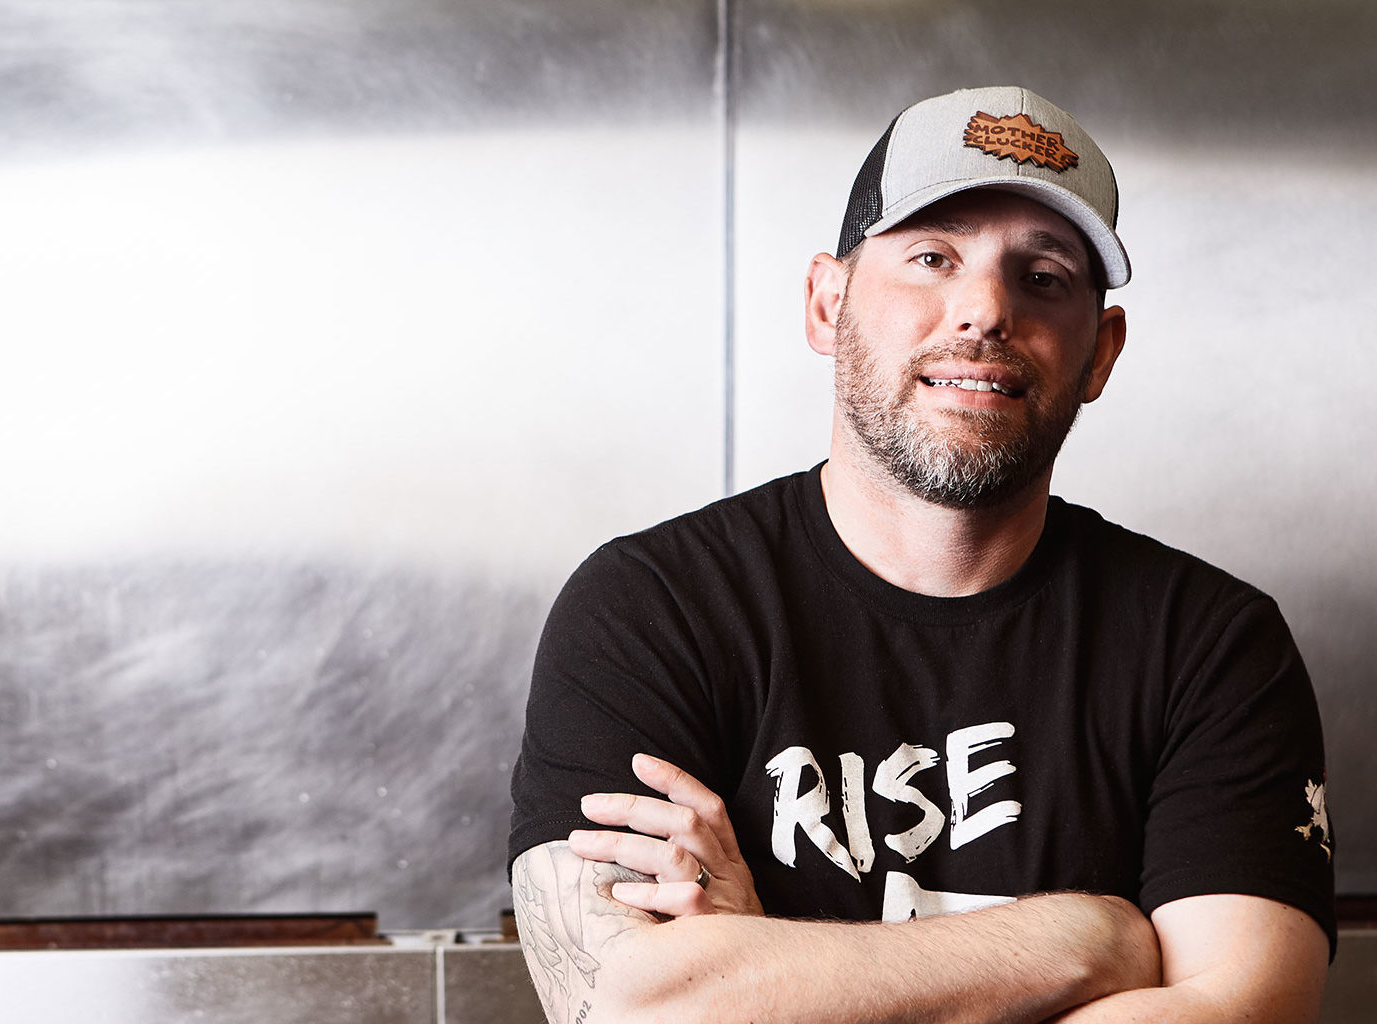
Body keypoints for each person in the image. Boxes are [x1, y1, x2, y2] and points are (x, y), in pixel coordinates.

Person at [507, 85, 1334, 1024]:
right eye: (933, 257)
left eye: (1045, 276)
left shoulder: (1210, 646)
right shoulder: (654, 608)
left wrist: (759, 973)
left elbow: (1239, 1011)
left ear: (1101, 352)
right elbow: (625, 1007)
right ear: (828, 302)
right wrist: (1087, 942)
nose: (983, 309)